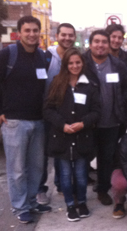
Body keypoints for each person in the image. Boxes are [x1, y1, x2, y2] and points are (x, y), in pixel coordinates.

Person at [0, 16, 51, 224]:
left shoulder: (42, 57)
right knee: (17, 169)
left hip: (39, 121)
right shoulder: (6, 55)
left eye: (35, 30)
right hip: (14, 121)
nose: (32, 34)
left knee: (36, 167)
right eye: (27, 30)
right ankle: (20, 207)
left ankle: (31, 202)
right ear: (19, 33)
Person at [44, 48, 100, 222]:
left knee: (82, 176)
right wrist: (62, 125)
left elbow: (97, 111)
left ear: (82, 63)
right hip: (62, 139)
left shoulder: (89, 85)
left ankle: (82, 202)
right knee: (66, 177)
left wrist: (84, 123)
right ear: (65, 65)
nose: (75, 66)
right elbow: (47, 109)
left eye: (78, 62)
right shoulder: (57, 83)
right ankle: (70, 205)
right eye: (71, 63)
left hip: (82, 138)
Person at [83, 30, 127, 206]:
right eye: (96, 41)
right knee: (85, 155)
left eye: (104, 42)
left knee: (106, 158)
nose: (100, 45)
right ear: (90, 44)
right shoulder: (82, 63)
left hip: (111, 121)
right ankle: (79, 191)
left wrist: (125, 107)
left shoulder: (117, 65)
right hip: (88, 122)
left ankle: (103, 189)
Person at [38, 23, 77, 205]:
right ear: (57, 35)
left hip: (67, 114)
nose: (67, 38)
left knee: (63, 150)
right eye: (64, 35)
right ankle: (40, 189)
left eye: (71, 35)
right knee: (44, 153)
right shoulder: (47, 57)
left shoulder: (74, 58)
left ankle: (61, 184)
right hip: (47, 113)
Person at [105, 24, 127, 138]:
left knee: (119, 142)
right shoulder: (100, 58)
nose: (116, 40)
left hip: (123, 111)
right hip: (103, 112)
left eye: (120, 38)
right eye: (113, 37)